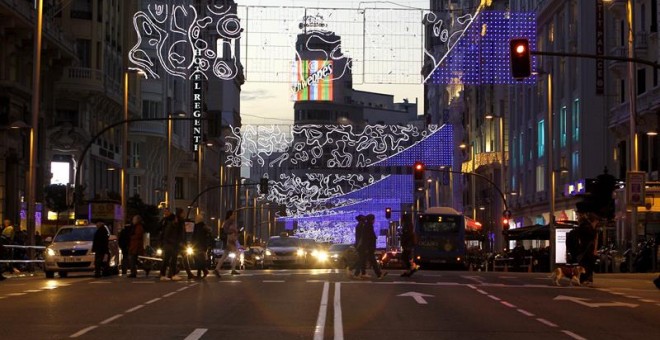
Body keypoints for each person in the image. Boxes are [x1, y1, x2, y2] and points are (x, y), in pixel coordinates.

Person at [353, 214, 387, 279]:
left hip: (367, 247)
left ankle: (361, 273)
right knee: (370, 260)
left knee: (364, 260)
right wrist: (367, 248)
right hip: (368, 247)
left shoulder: (366, 225)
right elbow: (367, 238)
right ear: (371, 220)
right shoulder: (368, 226)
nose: (374, 220)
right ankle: (378, 274)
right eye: (373, 219)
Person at [575, 200, 599, 285]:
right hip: (587, 249)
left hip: (584, 248)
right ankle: (585, 279)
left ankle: (585, 279)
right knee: (587, 264)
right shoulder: (587, 227)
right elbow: (593, 237)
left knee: (586, 264)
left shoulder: (583, 226)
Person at [159, 208, 184, 281]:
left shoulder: (172, 224)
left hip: (172, 243)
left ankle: (171, 275)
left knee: (172, 259)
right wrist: (173, 242)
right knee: (168, 259)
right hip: (170, 244)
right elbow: (167, 234)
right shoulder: (171, 225)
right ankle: (165, 275)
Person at [214, 210, 240, 276]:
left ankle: (217, 268)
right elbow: (225, 230)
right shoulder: (228, 222)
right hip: (230, 240)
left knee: (225, 255)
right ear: (230, 215)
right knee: (236, 252)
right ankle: (233, 269)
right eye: (233, 214)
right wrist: (233, 231)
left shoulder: (230, 222)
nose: (234, 216)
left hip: (230, 240)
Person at [191, 214, 211, 279]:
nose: (195, 219)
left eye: (196, 218)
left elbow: (195, 236)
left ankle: (203, 271)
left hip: (198, 246)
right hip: (201, 246)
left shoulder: (198, 226)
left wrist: (192, 243)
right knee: (199, 259)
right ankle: (202, 272)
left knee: (198, 260)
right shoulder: (203, 226)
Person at [400, 213, 418, 277]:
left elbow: (407, 235)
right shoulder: (409, 224)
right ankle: (410, 269)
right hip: (408, 244)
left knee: (404, 257)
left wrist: (403, 241)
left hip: (408, 244)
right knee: (406, 257)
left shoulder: (407, 225)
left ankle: (411, 268)